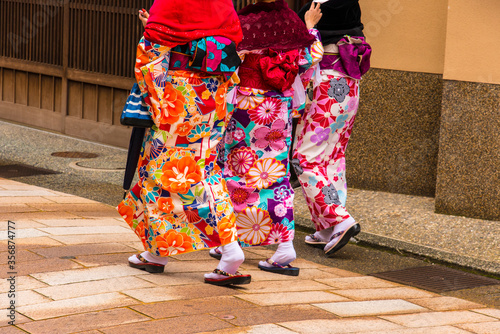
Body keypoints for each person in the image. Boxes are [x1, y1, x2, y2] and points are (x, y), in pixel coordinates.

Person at [118, 0, 251, 286]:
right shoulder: (222, 4)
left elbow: (151, 57)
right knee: (204, 168)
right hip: (213, 95)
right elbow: (233, 50)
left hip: (177, 97)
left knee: (162, 172)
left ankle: (228, 248)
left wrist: (158, 106)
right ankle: (158, 251)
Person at [212, 0, 324, 276]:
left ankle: (231, 240)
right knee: (274, 174)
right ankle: (284, 247)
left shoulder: (243, 23)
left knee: (239, 171)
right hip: (279, 109)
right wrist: (310, 28)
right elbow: (311, 58)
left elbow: (225, 61)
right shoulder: (292, 23)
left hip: (247, 107)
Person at [293, 0, 371, 256]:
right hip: (349, 82)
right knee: (332, 157)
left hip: (325, 81)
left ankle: (340, 220)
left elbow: (303, 41)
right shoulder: (349, 2)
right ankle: (327, 228)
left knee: (304, 158)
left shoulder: (321, 4)